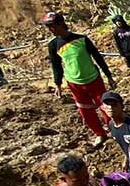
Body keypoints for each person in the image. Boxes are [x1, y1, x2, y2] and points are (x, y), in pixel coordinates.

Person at [43, 11, 115, 147]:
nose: (50, 30)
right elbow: (56, 66)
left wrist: (109, 75)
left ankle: (114, 130)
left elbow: (98, 57)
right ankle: (100, 134)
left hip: (93, 79)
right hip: (74, 83)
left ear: (60, 24)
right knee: (86, 111)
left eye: (52, 26)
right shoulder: (53, 45)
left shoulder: (82, 39)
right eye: (48, 27)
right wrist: (57, 84)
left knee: (105, 106)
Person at [101, 91, 130, 170]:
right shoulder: (111, 125)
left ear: (122, 106)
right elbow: (126, 146)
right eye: (107, 105)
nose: (110, 108)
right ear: (102, 108)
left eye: (114, 105)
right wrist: (127, 159)